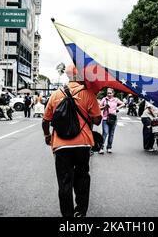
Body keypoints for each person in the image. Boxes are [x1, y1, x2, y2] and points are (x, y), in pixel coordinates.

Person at [42, 64, 102, 218]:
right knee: (82, 176)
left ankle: (67, 216)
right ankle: (80, 211)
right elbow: (97, 121)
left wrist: (47, 136)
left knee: (64, 181)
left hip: (61, 145)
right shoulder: (89, 94)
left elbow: (45, 120)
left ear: (68, 76)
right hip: (82, 144)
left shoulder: (55, 95)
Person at [99, 88, 124, 154]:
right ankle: (100, 148)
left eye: (110, 93)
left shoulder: (116, 99)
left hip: (113, 119)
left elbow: (123, 104)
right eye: (108, 93)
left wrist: (117, 108)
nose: (109, 94)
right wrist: (104, 107)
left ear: (113, 93)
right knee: (105, 133)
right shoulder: (104, 99)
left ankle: (109, 147)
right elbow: (99, 107)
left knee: (111, 134)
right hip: (105, 119)